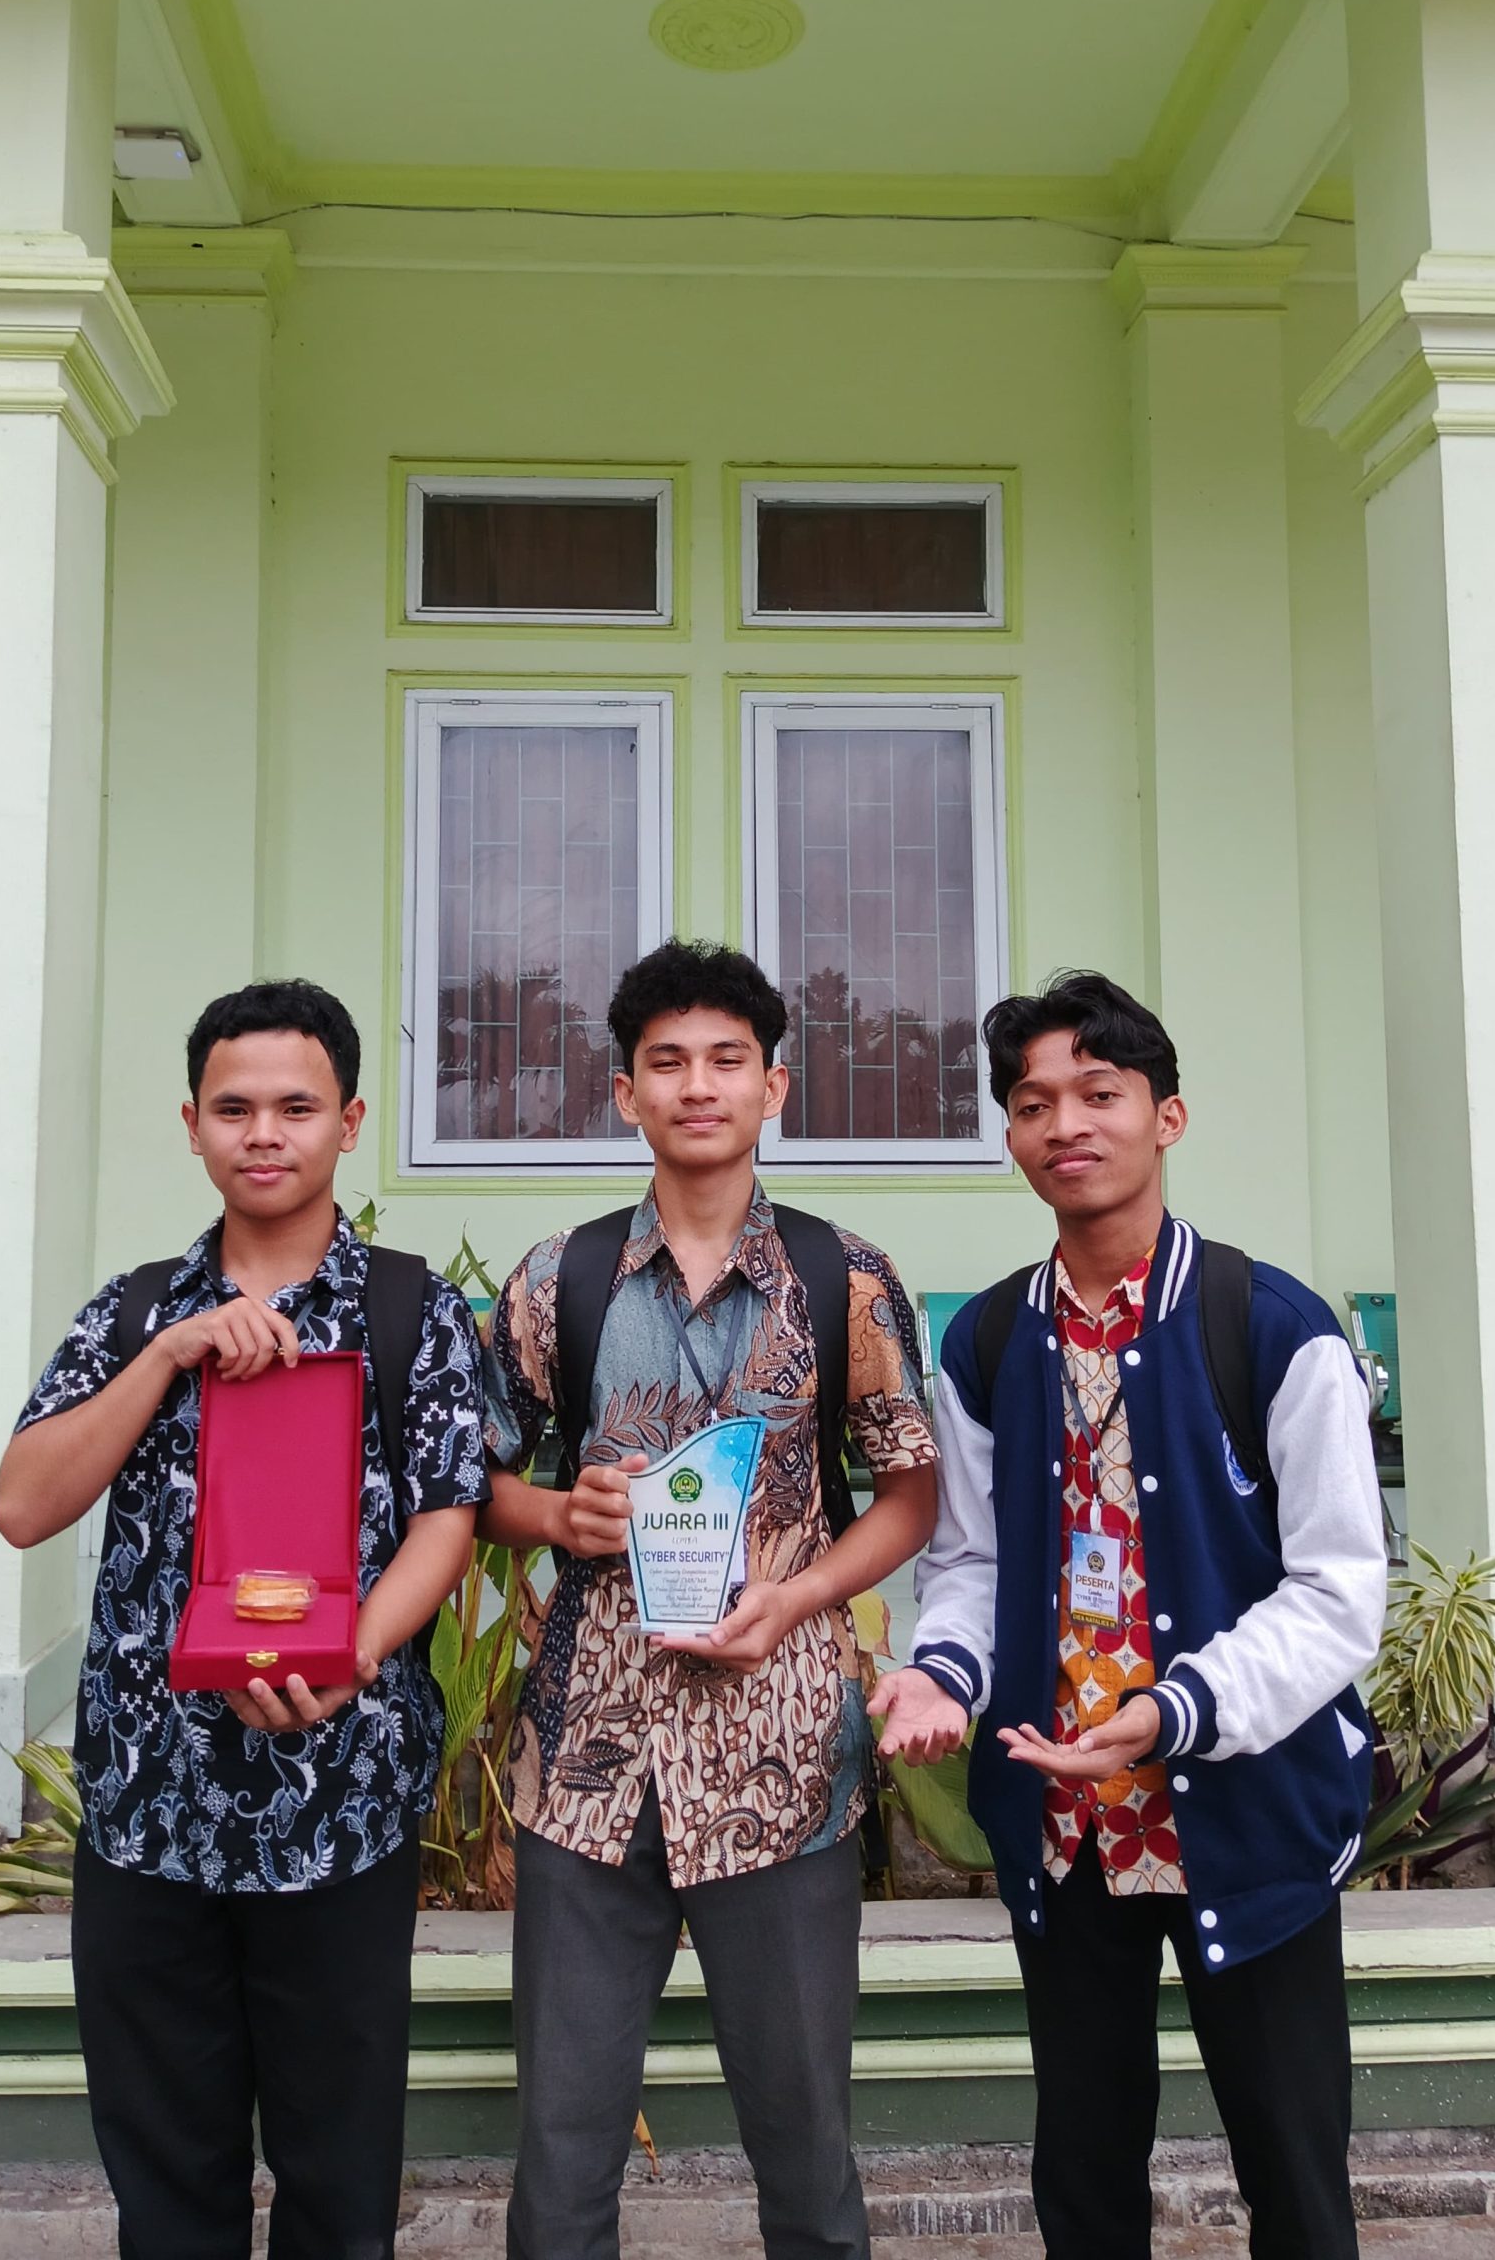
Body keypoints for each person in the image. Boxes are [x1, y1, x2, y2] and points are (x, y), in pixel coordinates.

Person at [869, 971, 1385, 2260]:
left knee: (1296, 2177)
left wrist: (1176, 1710)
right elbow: (970, 1561)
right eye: (1032, 1102)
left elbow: (1337, 1596)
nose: (1066, 1125)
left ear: (1168, 1116)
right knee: (1086, 2176)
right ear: (1011, 1134)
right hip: (1069, 1827)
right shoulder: (988, 1341)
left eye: (1099, 1093)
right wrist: (943, 1671)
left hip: (1248, 1816)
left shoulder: (1273, 1327)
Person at [0, 979, 488, 2260]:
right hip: (148, 1808)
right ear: (193, 1124)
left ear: (349, 1122)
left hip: (342, 1801)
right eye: (234, 1107)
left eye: (296, 1106)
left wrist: (352, 1657)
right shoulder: (131, 1309)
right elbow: (24, 1505)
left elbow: (448, 1518)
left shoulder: (413, 1310)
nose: (264, 1132)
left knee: (339, 2184)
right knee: (168, 2184)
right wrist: (167, 1355)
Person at [479, 939, 938, 2260]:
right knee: (562, 2155)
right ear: (626, 1092)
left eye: (727, 1060)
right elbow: (470, 1486)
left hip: (781, 1761)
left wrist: (804, 1597)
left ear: (772, 1087)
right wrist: (558, 1516)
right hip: (588, 1765)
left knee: (806, 2149)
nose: (698, 1085)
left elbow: (910, 1494)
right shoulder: (555, 1280)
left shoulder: (846, 1279)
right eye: (667, 1063)